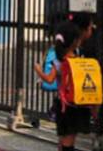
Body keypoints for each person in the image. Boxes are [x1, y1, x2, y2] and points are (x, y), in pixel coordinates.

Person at [34, 20, 91, 151]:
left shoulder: (58, 61)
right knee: (69, 140)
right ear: (75, 41)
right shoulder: (79, 60)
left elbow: (49, 79)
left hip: (62, 104)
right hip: (75, 104)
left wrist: (39, 71)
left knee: (63, 139)